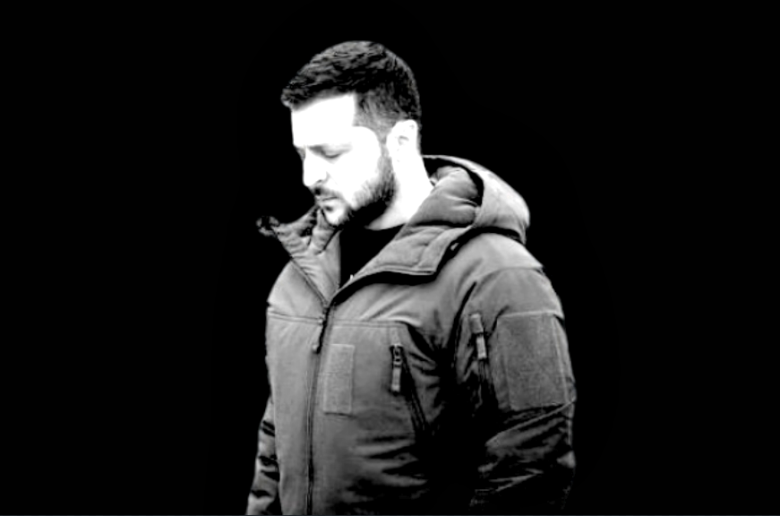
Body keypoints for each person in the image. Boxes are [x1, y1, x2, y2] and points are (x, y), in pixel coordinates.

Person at [247, 40, 576, 515]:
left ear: (400, 141)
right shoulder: (299, 277)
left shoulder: (497, 278)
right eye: (302, 155)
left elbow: (531, 471)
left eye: (331, 152)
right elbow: (275, 450)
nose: (309, 177)